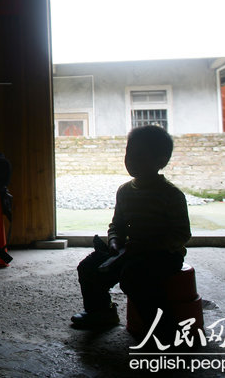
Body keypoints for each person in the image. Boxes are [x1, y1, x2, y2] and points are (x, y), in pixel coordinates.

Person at [71, 125, 191, 334]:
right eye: (129, 153)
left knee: (133, 276)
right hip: (129, 252)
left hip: (163, 256)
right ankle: (101, 311)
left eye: (141, 155)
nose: (132, 160)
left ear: (160, 161)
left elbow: (181, 234)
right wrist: (115, 242)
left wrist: (149, 246)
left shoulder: (171, 195)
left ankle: (162, 328)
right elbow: (116, 225)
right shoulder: (125, 191)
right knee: (89, 267)